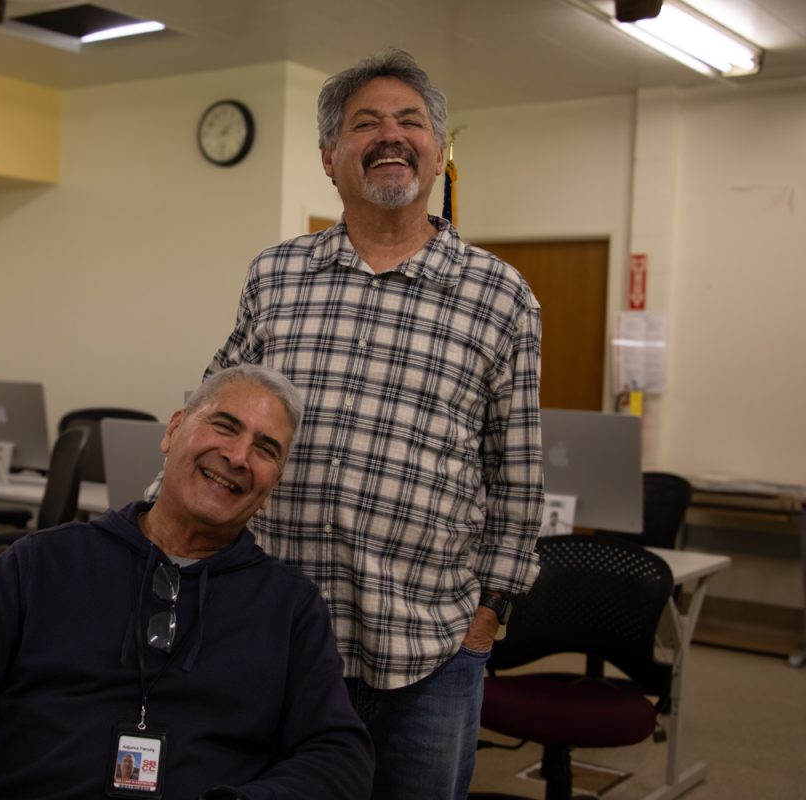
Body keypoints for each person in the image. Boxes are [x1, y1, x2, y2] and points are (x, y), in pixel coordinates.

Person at [204, 49, 543, 799]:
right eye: (366, 124)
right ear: (330, 157)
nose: (390, 136)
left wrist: (487, 618)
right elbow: (214, 415)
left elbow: (516, 478)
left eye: (409, 122)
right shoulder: (276, 276)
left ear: (436, 148)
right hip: (274, 639)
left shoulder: (501, 296)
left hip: (429, 651)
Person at [0, 365, 374, 800]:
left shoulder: (290, 606)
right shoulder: (44, 564)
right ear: (174, 431)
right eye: (224, 426)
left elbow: (339, 752)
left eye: (266, 449)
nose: (238, 455)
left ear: (273, 482)